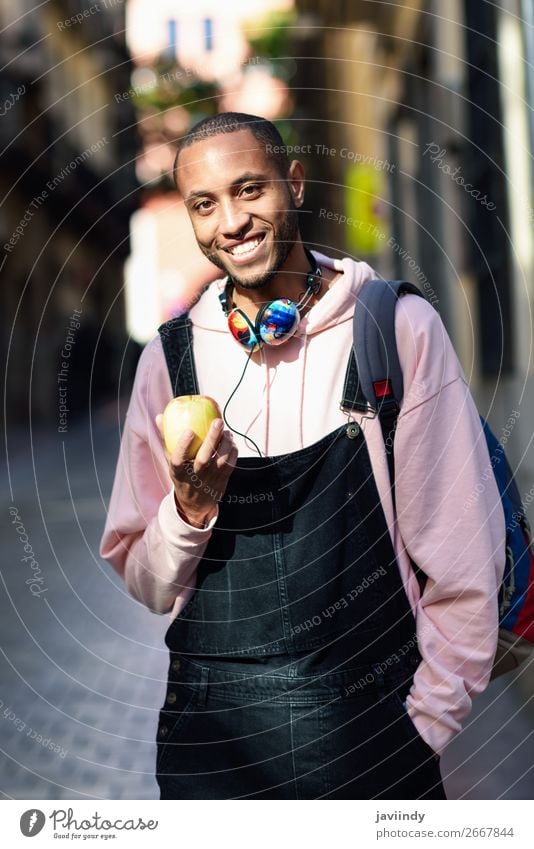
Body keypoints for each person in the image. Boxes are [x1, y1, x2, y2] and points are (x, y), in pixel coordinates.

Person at [99, 112, 506, 800]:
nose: (230, 221)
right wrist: (189, 510)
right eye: (205, 204)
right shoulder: (168, 362)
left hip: (372, 742)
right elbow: (147, 583)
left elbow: (465, 561)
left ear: (293, 182)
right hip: (213, 748)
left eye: (249, 189)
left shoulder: (394, 330)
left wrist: (423, 725)